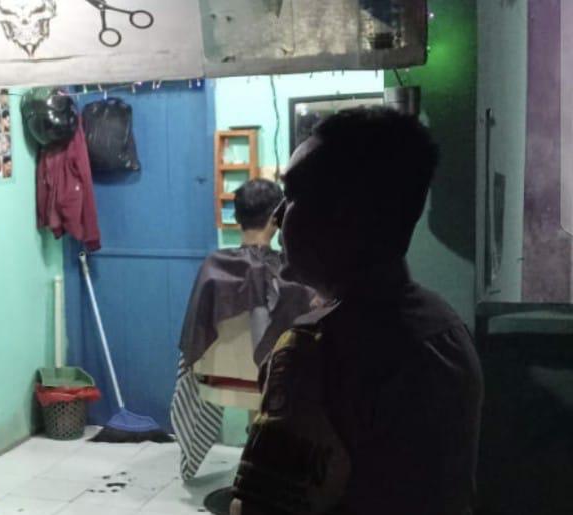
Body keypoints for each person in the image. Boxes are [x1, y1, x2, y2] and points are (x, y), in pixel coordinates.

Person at [230, 108, 483, 515]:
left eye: (292, 197)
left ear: (345, 213)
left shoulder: (314, 350)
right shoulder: (447, 328)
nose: (276, 218)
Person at [172, 178, 315, 482]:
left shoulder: (213, 267)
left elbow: (195, 335)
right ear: (277, 219)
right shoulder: (293, 275)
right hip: (277, 383)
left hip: (220, 377)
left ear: (237, 218)